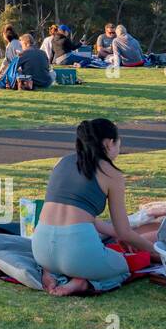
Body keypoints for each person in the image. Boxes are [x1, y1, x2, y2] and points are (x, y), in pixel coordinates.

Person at [34, 119, 158, 296]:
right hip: (77, 252)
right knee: (127, 265)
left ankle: (50, 272)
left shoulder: (61, 162)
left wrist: (116, 235)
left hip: (41, 250)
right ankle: (83, 282)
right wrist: (155, 251)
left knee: (85, 253)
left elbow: (82, 216)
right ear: (109, 143)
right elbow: (124, 232)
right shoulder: (111, 173)